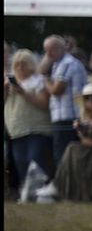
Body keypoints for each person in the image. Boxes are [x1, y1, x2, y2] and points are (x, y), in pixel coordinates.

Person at [5, 49, 54, 201]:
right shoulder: (9, 83)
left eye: (23, 64)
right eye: (17, 64)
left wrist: (23, 93)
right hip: (17, 131)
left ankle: (41, 196)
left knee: (36, 163)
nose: (20, 67)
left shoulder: (38, 80)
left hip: (37, 130)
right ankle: (26, 196)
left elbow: (43, 103)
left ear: (31, 65)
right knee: (21, 164)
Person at [40, 35, 88, 162]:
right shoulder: (58, 63)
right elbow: (41, 70)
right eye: (46, 50)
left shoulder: (67, 63)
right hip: (63, 117)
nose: (49, 54)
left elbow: (57, 90)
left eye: (52, 49)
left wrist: (45, 80)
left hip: (68, 117)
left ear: (62, 48)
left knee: (63, 158)